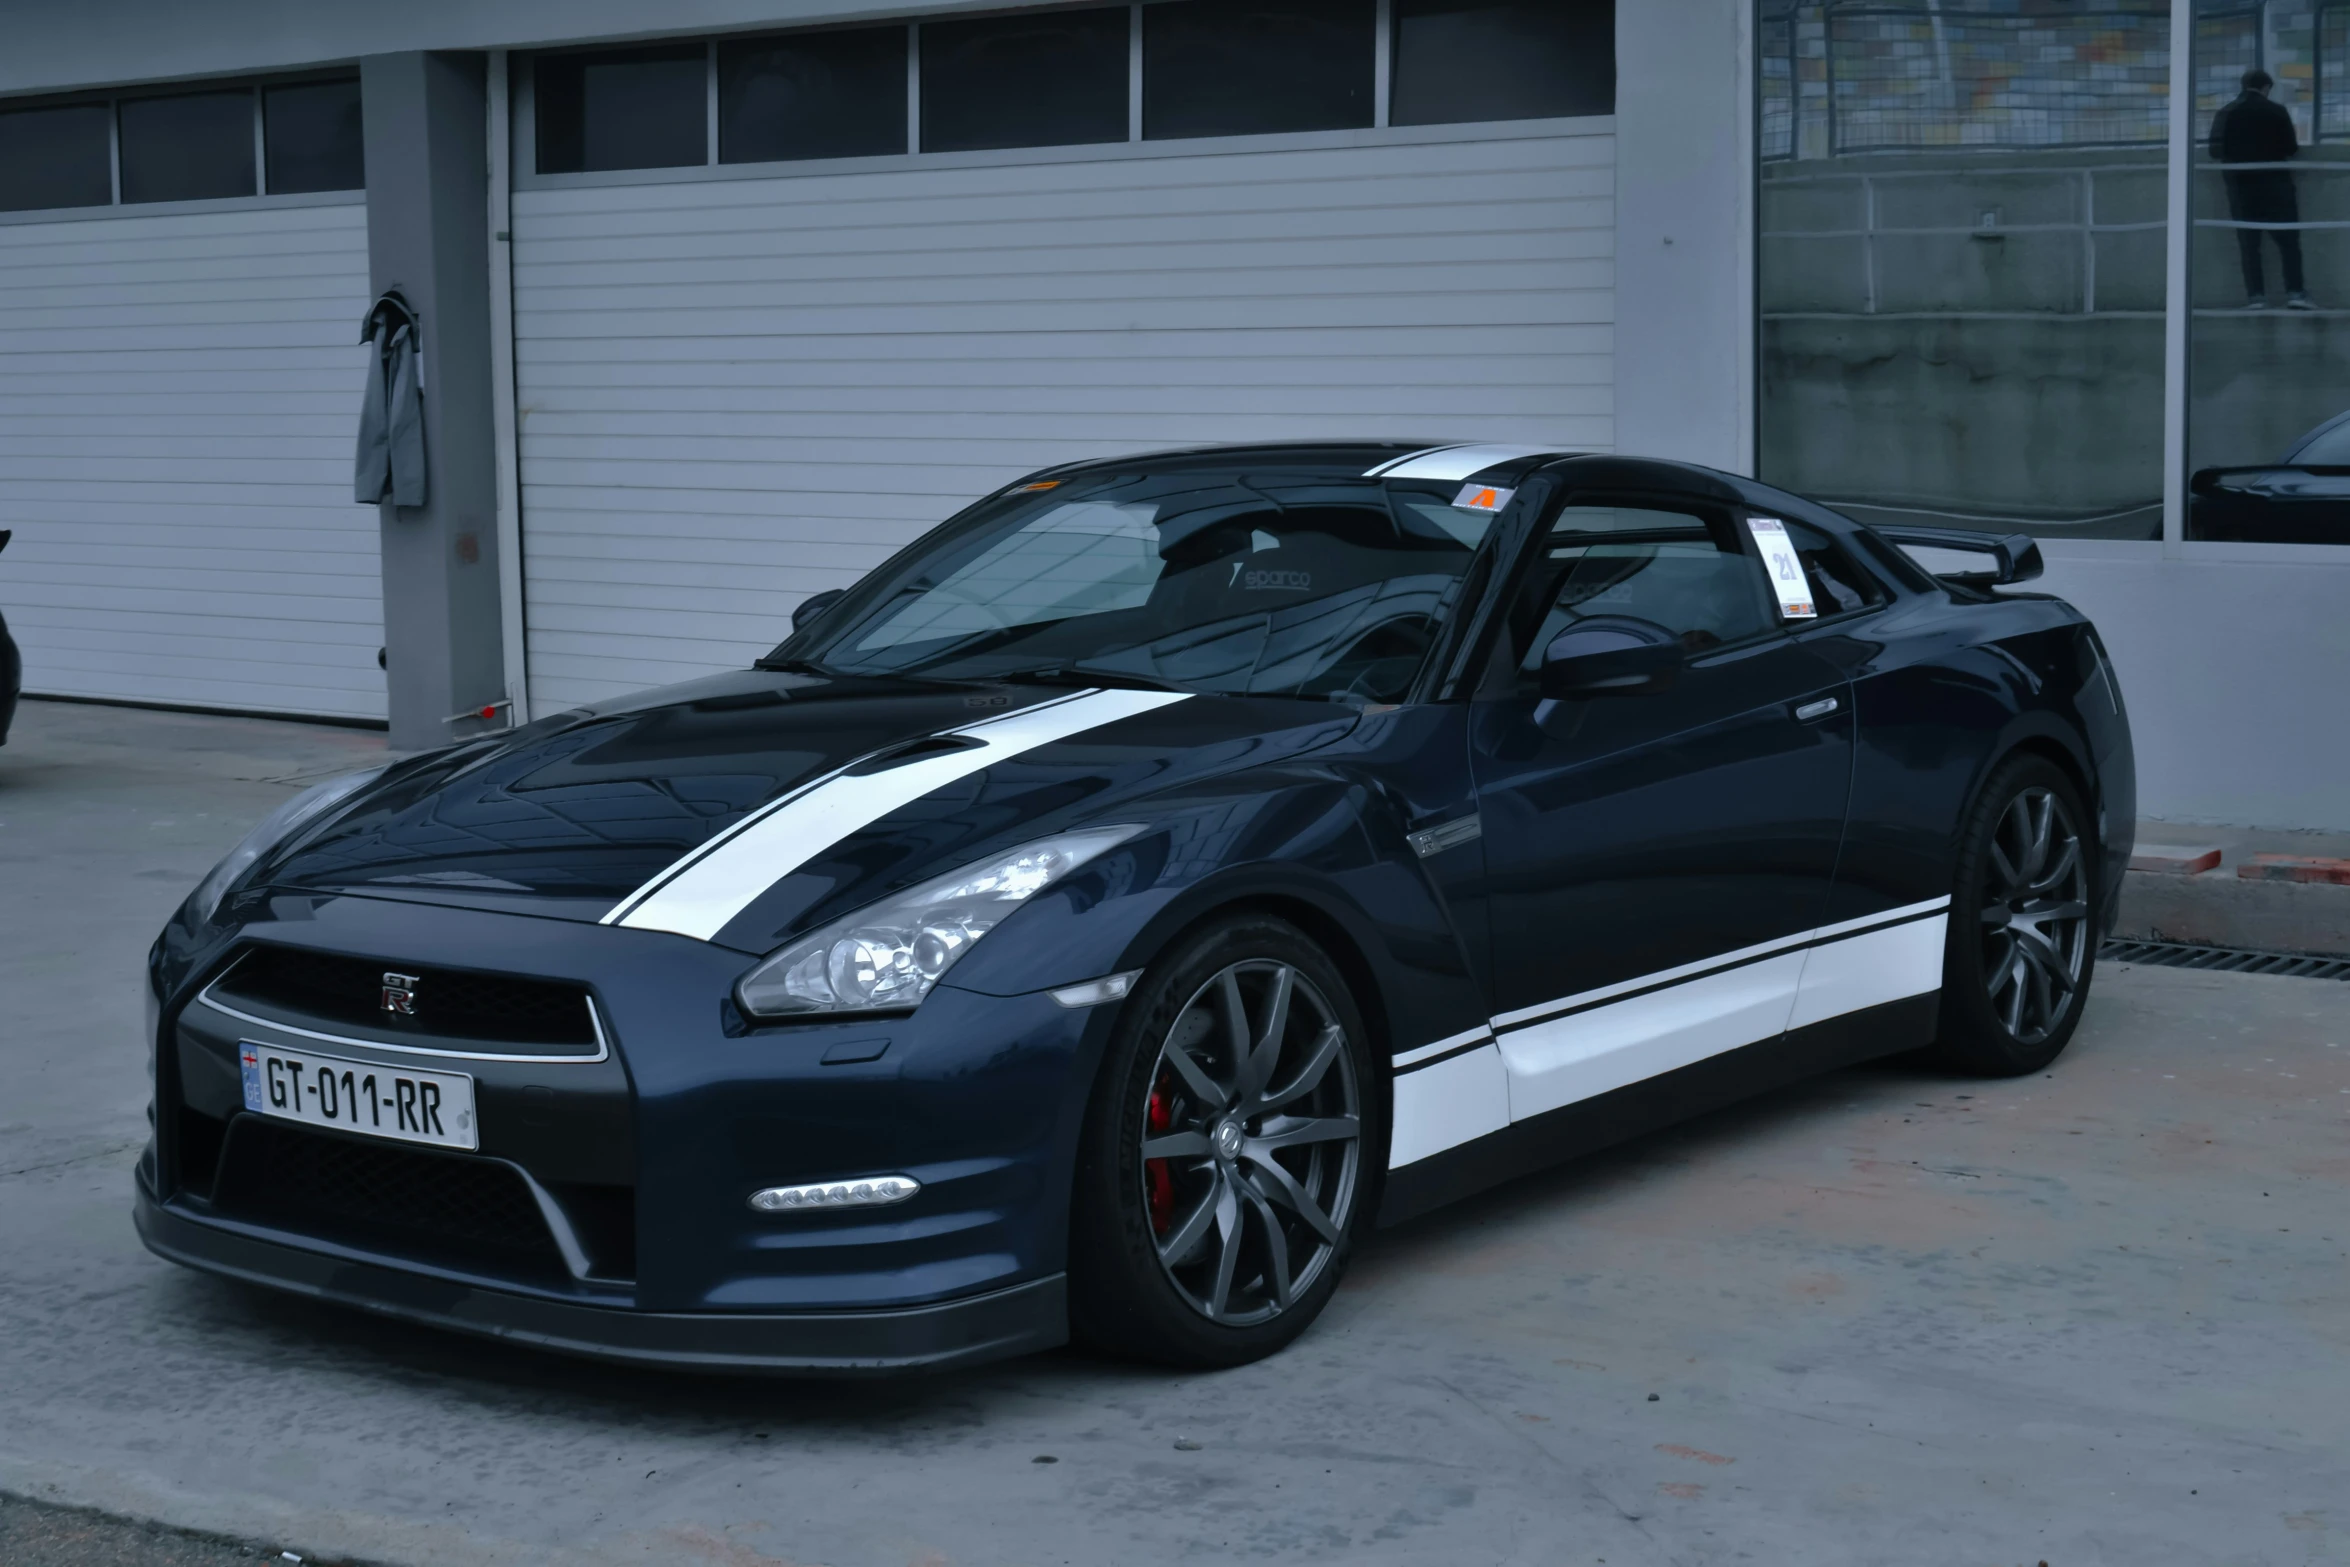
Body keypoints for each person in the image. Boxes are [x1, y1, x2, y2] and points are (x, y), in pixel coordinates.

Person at [2210, 67, 2313, 310]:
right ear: (2266, 88)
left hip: (2241, 188)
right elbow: (2291, 148)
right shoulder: (2276, 111)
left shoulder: (2226, 113)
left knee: (2249, 245)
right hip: (2277, 186)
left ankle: (2256, 296)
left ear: (2243, 85)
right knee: (2288, 242)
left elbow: (2215, 151)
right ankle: (2295, 293)